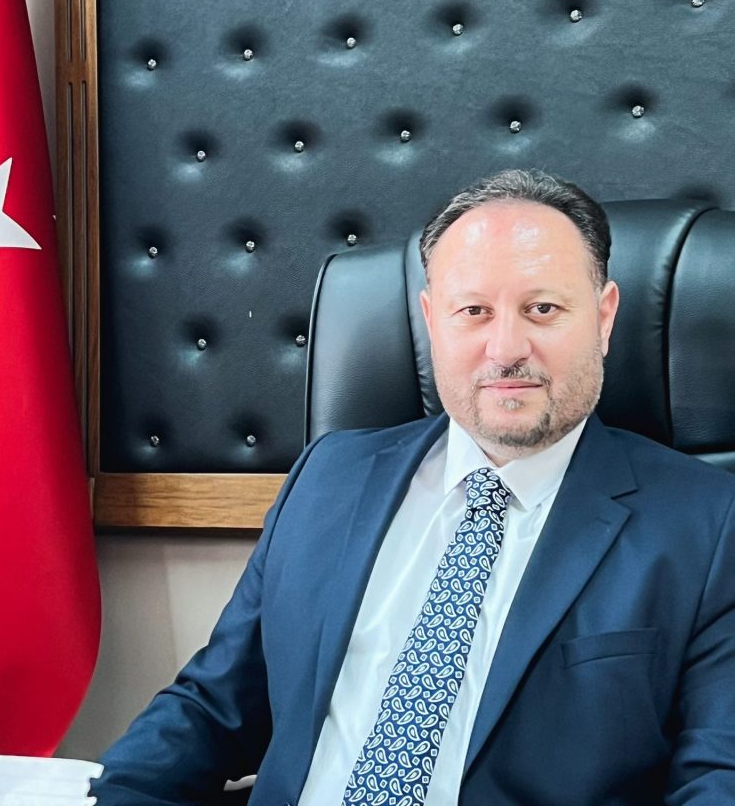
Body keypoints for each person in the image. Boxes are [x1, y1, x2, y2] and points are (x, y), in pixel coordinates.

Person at [91, 169, 735, 805]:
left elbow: (718, 775)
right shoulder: (328, 477)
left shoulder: (708, 525)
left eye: (542, 308)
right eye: (473, 311)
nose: (506, 348)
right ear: (431, 320)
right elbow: (211, 709)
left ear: (603, 317)